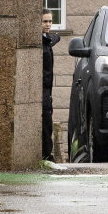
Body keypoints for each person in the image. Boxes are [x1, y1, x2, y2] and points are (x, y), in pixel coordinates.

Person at [42, 9, 60, 161]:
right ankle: (47, 155)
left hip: (47, 87)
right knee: (46, 120)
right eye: (45, 21)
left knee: (47, 119)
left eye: (50, 21)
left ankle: (47, 154)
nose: (48, 24)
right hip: (42, 87)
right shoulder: (41, 41)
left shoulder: (47, 39)